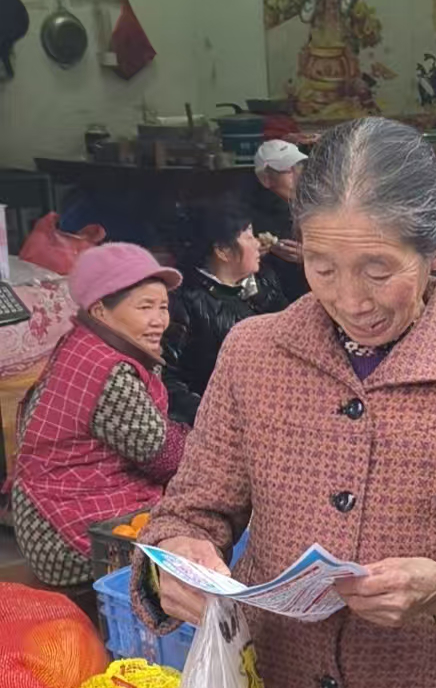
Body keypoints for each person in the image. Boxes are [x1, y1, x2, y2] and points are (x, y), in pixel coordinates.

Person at [130, 118, 436, 688]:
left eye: (378, 270)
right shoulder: (254, 353)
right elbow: (190, 511)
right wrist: (175, 559)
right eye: (322, 267)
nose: (351, 299)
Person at [13, 243, 187, 586]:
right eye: (145, 307)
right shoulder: (105, 370)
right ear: (100, 311)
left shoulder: (90, 344)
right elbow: (167, 457)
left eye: (163, 307)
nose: (159, 321)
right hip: (65, 533)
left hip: (59, 513)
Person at [162, 200, 288, 426]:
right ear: (223, 250)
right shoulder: (184, 301)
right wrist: (215, 418)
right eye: (249, 236)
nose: (258, 243)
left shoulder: (264, 279)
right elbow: (168, 377)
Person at [252, 139, 309, 302]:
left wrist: (311, 256)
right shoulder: (257, 219)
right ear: (265, 178)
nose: (298, 175)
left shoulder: (313, 203)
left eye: (299, 167)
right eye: (288, 171)